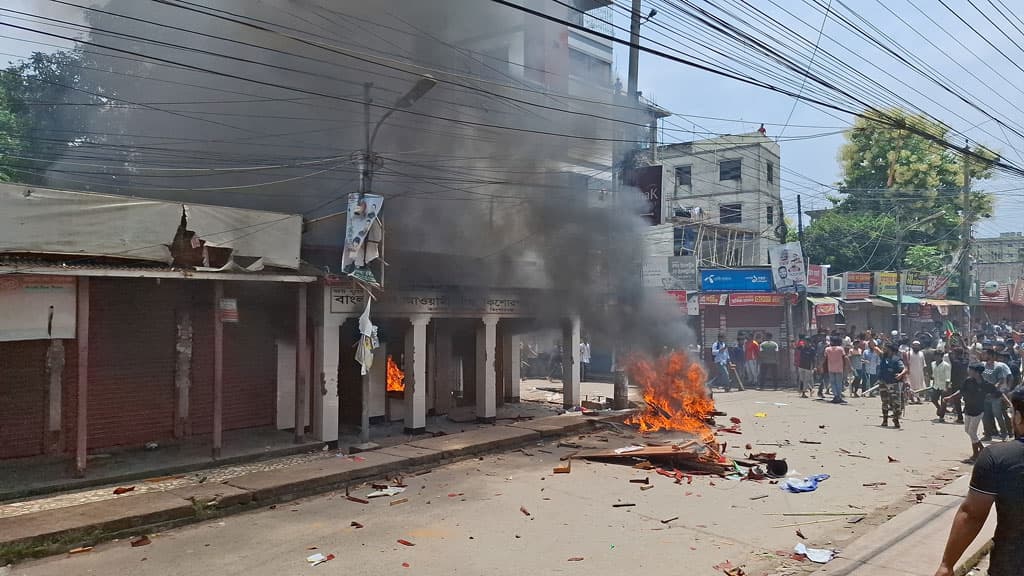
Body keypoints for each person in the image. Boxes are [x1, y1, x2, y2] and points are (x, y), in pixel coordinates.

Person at [933, 388, 1024, 576]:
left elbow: (972, 515)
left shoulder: (998, 458)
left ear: (1018, 417)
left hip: (1011, 565)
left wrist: (946, 565)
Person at [873, 341, 908, 428]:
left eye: (886, 349)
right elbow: (875, 348)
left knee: (896, 403)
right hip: (883, 382)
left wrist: (900, 375)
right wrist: (871, 338)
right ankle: (885, 420)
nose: (884, 350)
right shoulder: (883, 357)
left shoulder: (897, 360)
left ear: (891, 350)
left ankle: (896, 419)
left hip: (893, 383)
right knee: (885, 401)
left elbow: (905, 369)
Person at [981, 349, 1013, 441]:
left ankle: (1004, 434)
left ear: (990, 355)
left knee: (998, 415)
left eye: (985, 354)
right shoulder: (983, 365)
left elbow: (1002, 380)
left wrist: (995, 386)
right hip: (984, 395)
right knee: (985, 416)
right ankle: (987, 435)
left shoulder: (998, 367)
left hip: (995, 395)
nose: (983, 355)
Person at [823, 336, 849, 404]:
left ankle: (836, 396)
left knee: (833, 383)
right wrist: (848, 366)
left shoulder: (827, 349)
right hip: (839, 368)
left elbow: (825, 358)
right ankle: (839, 397)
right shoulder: (840, 349)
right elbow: (845, 357)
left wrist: (820, 366)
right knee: (839, 383)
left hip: (831, 368)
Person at [931, 353, 952, 421]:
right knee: (933, 399)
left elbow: (948, 377)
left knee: (943, 402)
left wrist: (946, 387)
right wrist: (933, 384)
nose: (937, 358)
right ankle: (939, 408)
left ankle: (941, 416)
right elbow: (934, 375)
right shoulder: (933, 364)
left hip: (943, 386)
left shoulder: (946, 365)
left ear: (941, 357)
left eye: (938, 356)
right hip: (936, 385)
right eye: (936, 356)